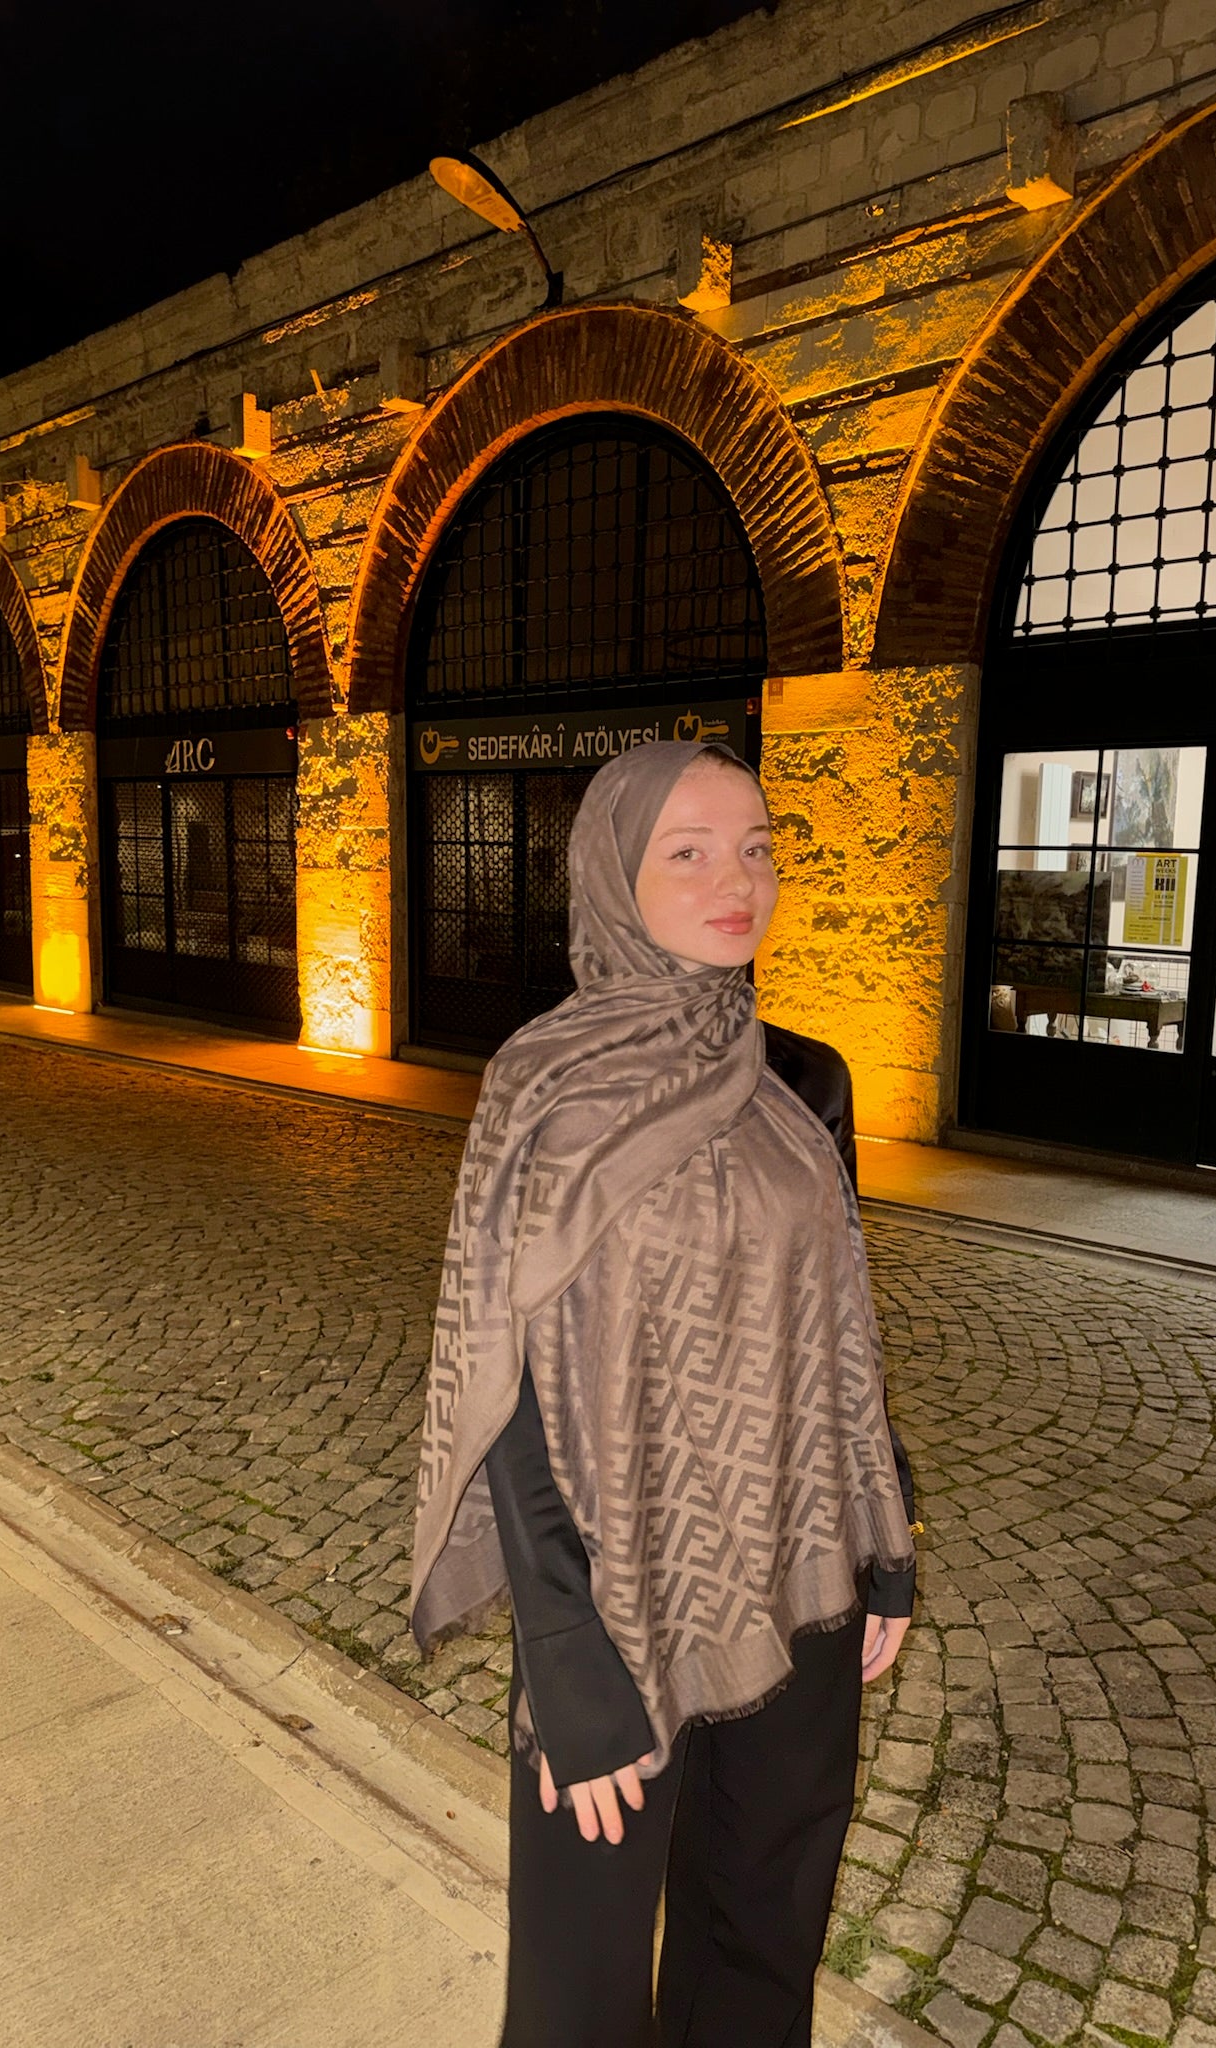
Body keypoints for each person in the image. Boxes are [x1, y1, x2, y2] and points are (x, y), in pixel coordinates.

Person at [410, 739, 920, 2048]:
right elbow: (501, 1383)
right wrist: (564, 1654)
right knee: (578, 1996)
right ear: (610, 871)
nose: (735, 881)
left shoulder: (806, 1078)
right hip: (618, 1598)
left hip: (801, 1570)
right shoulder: (544, 1086)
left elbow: (836, 1327)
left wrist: (886, 1534)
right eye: (687, 852)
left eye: (755, 848)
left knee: (763, 1935)